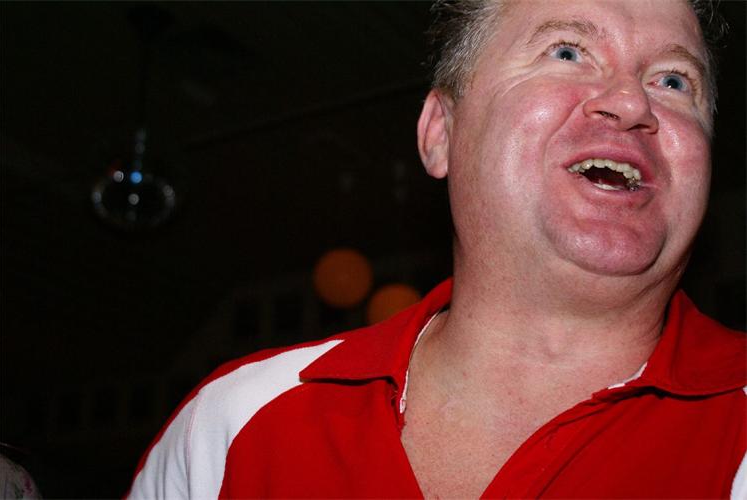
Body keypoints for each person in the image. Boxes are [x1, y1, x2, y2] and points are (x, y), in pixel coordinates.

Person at [127, 0, 746, 498]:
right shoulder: (231, 427)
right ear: (440, 133)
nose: (634, 103)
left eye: (674, 80)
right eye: (567, 51)